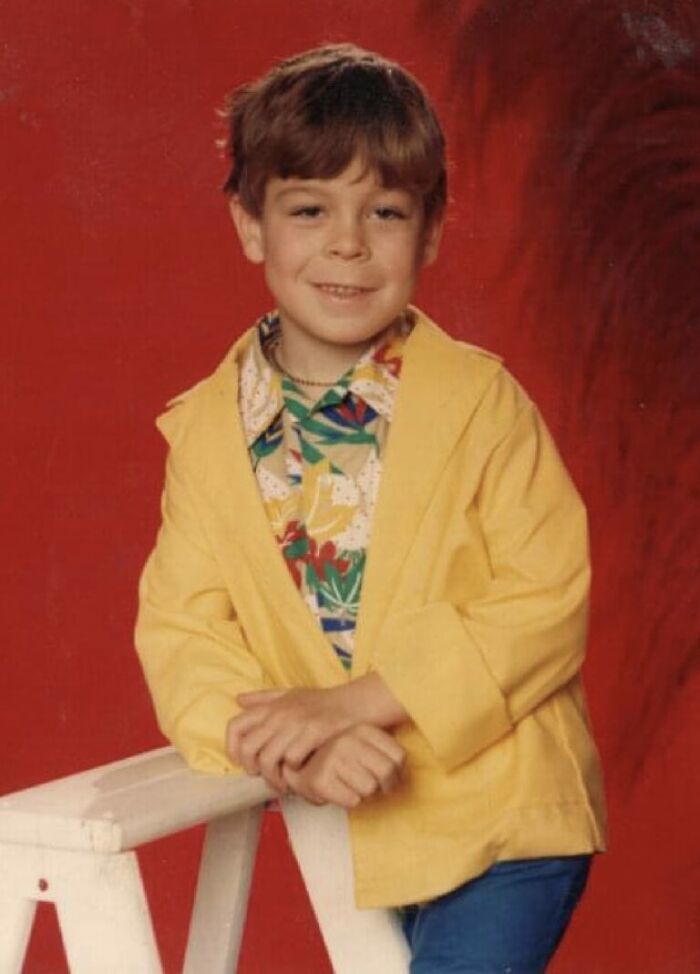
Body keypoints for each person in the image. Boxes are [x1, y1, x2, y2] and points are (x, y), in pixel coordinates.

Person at [135, 43, 607, 973]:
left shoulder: (482, 401)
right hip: (359, 820)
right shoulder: (204, 434)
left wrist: (346, 706)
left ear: (429, 233)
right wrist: (291, 749)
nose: (348, 243)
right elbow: (183, 634)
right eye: (310, 209)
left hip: (507, 815)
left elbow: (543, 599)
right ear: (250, 225)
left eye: (384, 212)